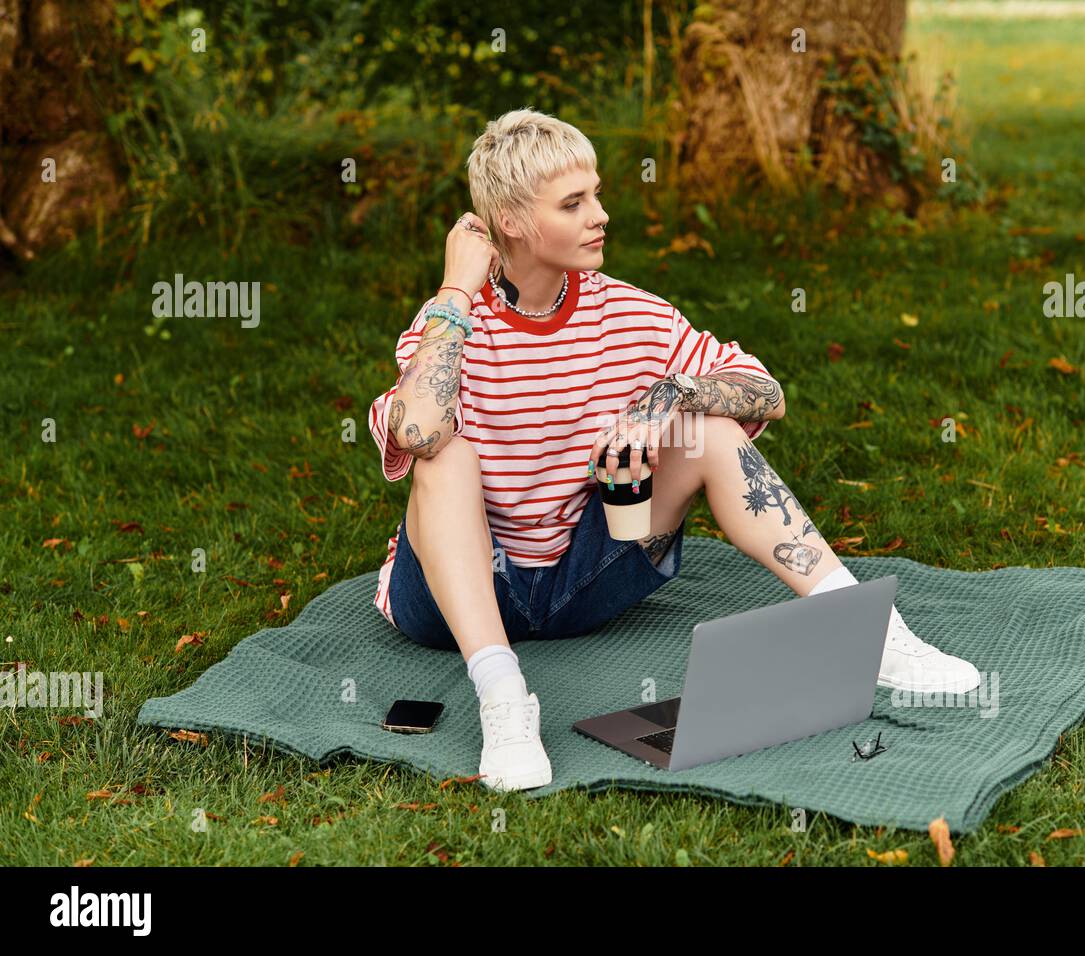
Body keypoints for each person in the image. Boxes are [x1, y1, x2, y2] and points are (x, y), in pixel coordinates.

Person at [367, 108, 978, 792]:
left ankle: (874, 636)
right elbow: (417, 431)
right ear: (511, 221)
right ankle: (504, 700)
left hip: (581, 578)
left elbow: (766, 392)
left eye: (596, 193)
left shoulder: (630, 313)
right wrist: (455, 288)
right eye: (574, 204)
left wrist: (670, 397)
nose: (601, 215)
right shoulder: (447, 326)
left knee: (708, 427)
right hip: (452, 599)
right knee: (445, 457)